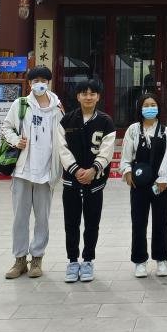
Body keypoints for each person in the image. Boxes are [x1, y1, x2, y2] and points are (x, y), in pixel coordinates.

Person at [0, 66, 62, 279]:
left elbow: (62, 137)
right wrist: (16, 140)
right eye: (35, 80)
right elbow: (6, 127)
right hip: (23, 170)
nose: (39, 84)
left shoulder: (57, 108)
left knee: (42, 218)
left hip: (46, 172)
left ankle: (37, 258)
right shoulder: (21, 104)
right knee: (20, 217)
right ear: (29, 84)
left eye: (43, 80)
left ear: (49, 83)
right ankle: (19, 260)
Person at [57, 78, 116, 283]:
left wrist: (93, 170)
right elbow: (62, 148)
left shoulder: (106, 121)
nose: (88, 97)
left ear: (98, 97)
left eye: (92, 93)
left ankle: (88, 260)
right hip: (71, 181)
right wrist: (75, 170)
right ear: (78, 96)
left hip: (95, 181)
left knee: (92, 223)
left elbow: (107, 150)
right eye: (84, 93)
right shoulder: (66, 120)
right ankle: (73, 261)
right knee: (71, 222)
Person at [121, 93, 167, 278]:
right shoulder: (133, 129)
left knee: (161, 222)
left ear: (158, 108)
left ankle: (161, 259)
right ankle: (140, 261)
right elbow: (126, 154)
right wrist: (127, 171)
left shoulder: (165, 131)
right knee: (138, 222)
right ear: (140, 108)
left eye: (153, 105)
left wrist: (164, 179)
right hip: (139, 184)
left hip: (160, 184)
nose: (150, 108)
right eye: (146, 105)